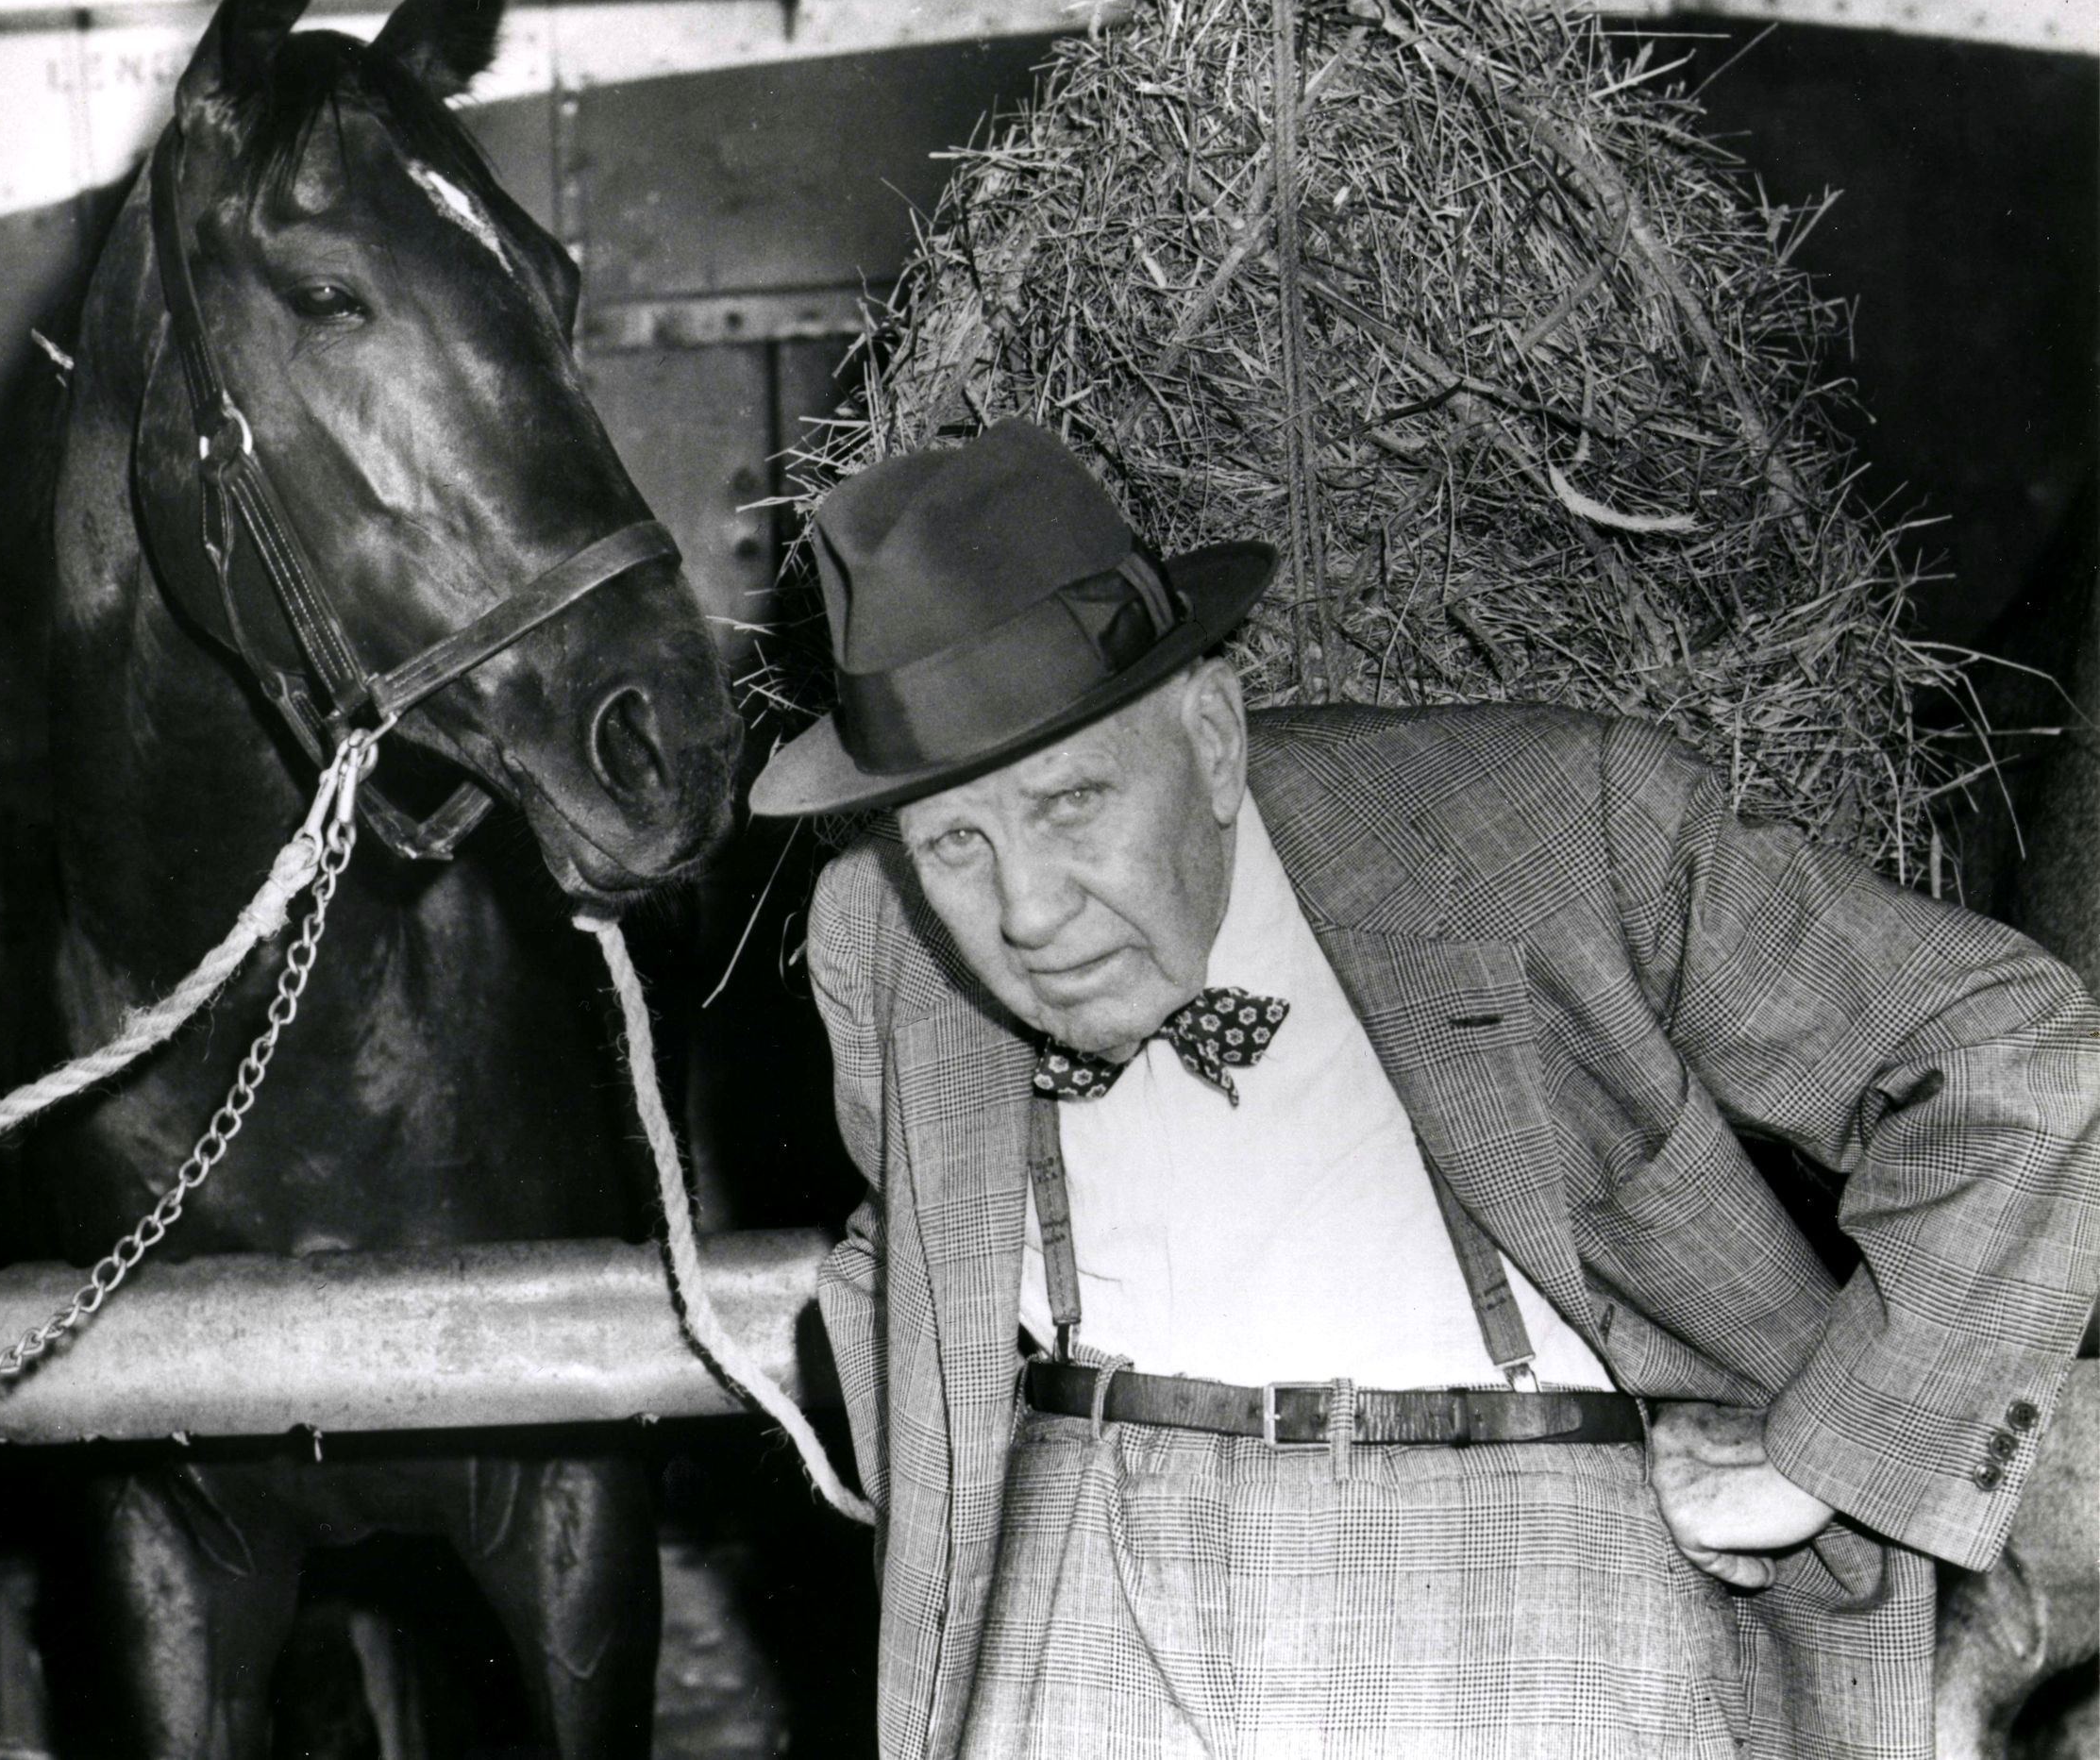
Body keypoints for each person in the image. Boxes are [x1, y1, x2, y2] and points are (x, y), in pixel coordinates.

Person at [748, 419, 2100, 1760]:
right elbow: (903, 1246)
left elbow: (2005, 1055)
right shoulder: (881, 938)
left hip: (1522, 1573)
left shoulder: (1553, 830)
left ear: (1213, 738)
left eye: (1069, 805)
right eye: (956, 841)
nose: (1027, 912)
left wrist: (1828, 1451)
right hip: (1084, 1597)